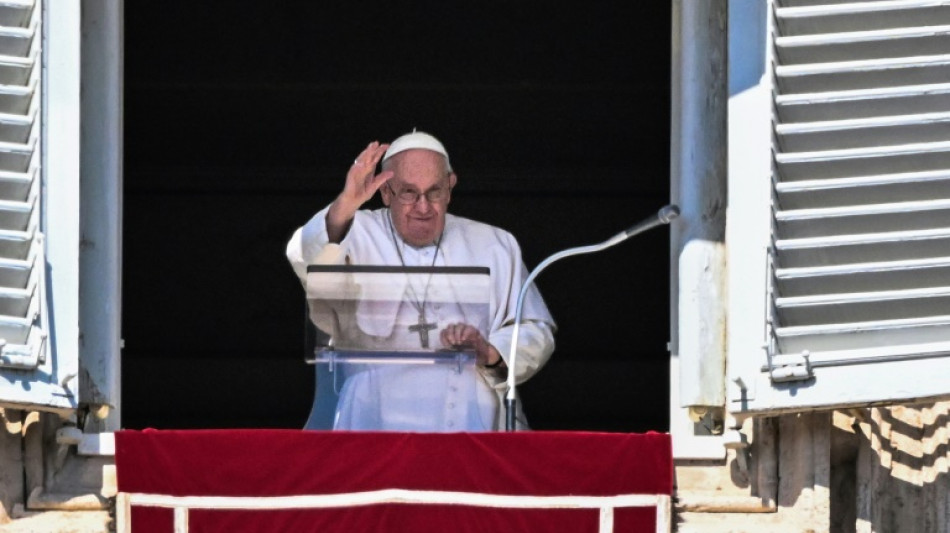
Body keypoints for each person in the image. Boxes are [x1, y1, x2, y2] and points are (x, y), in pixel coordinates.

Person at [286, 131, 555, 431]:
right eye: (409, 193)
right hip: (373, 422)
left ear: (451, 187)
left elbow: (537, 329)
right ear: (386, 192)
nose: (423, 207)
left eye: (435, 191)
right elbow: (306, 259)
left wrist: (491, 351)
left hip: (472, 424)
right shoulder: (353, 230)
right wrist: (346, 204)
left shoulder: (495, 243)